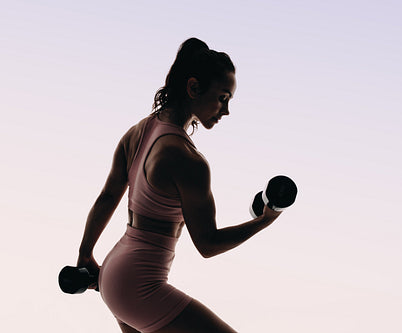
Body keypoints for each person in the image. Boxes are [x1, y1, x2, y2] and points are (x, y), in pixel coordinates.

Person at [76, 37, 282, 333]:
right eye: (223, 97)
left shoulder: (138, 132)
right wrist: (264, 221)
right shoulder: (187, 159)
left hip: (113, 276)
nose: (225, 111)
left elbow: (108, 196)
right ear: (193, 87)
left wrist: (85, 254)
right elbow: (208, 244)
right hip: (138, 288)